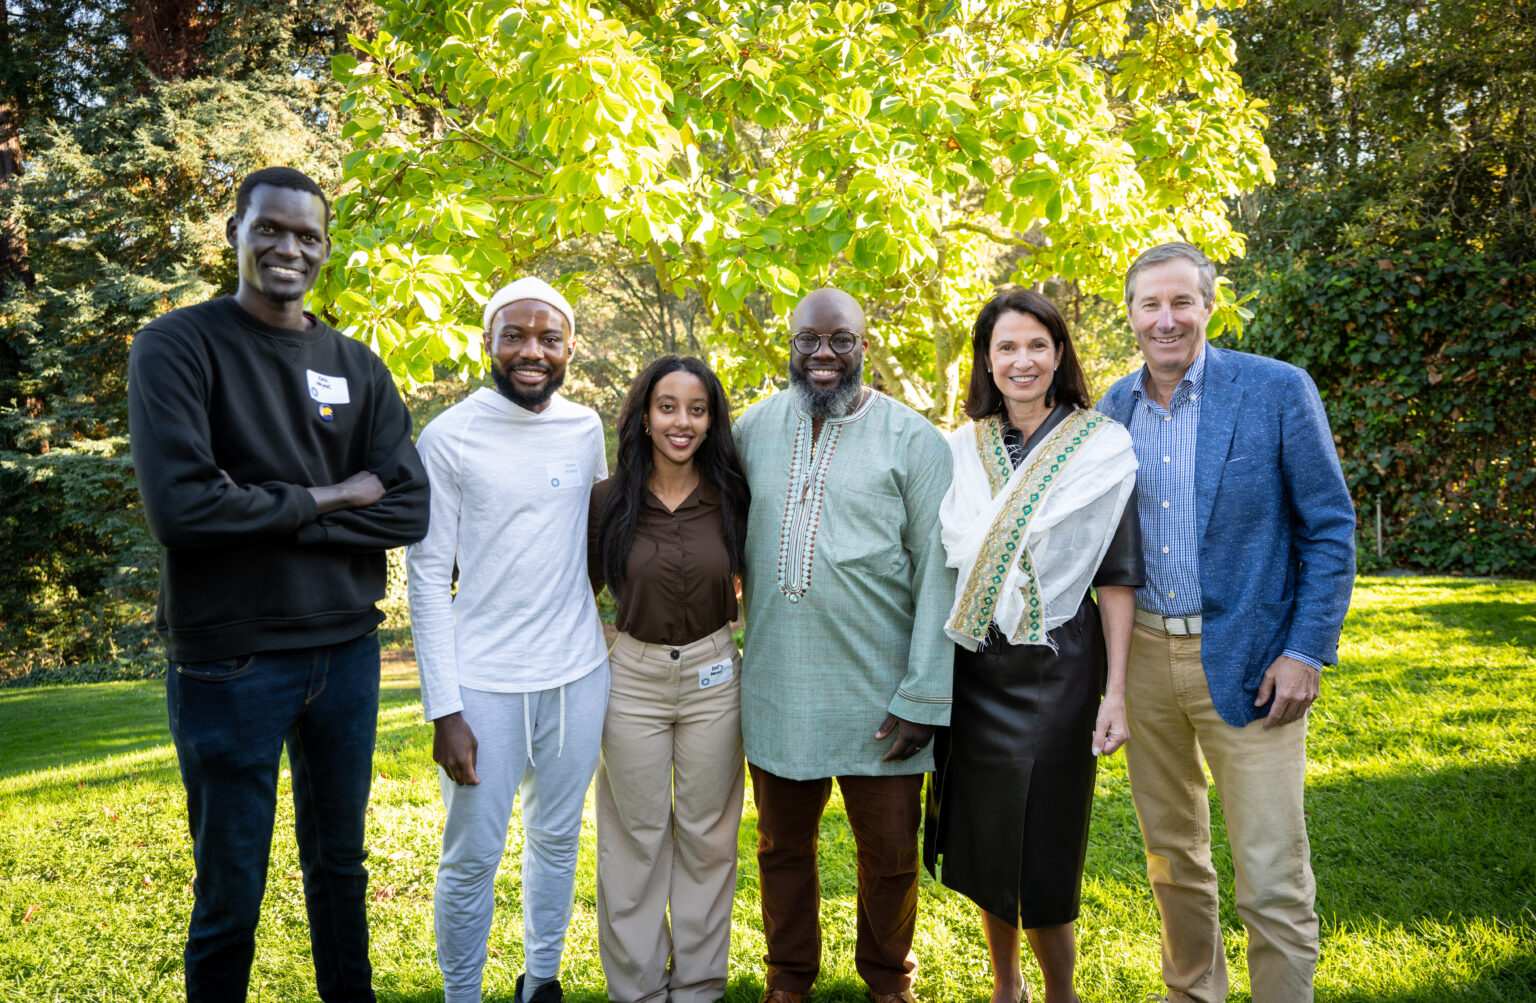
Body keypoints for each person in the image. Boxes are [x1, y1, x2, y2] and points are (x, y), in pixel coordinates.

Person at [128, 166, 431, 1003]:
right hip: (232, 658)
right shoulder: (178, 346)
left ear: (326, 249)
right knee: (231, 887)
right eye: (269, 228)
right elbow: (183, 509)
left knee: (341, 865)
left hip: (346, 650)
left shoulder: (356, 366)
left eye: (306, 235)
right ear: (235, 231)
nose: (287, 247)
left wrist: (260, 511)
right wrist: (331, 495)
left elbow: (406, 505)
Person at [1097, 242, 1355, 1003]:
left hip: (1252, 657)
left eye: (1182, 302)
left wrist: (1306, 648)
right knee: (1172, 857)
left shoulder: (1276, 390)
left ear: (1210, 306)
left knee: (1271, 867)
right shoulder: (1112, 409)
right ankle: (1193, 994)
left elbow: (1330, 526)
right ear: (1133, 313)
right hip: (1143, 657)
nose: (1166, 319)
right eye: (1151, 304)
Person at [734, 287, 956, 1003]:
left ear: (866, 343)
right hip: (778, 685)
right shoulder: (749, 431)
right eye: (808, 340)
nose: (823, 354)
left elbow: (940, 576)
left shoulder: (916, 441)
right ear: (788, 343)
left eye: (840, 340)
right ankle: (788, 977)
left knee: (890, 854)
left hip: (882, 695)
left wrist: (924, 693)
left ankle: (889, 980)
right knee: (779, 848)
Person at [925, 288, 1142, 1003]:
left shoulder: (1101, 444)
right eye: (1006, 347)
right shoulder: (961, 446)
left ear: (1059, 356)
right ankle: (1006, 985)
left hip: (1059, 665)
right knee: (990, 839)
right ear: (987, 359)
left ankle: (1060, 992)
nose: (1022, 360)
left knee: (1044, 842)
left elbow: (1115, 577)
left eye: (1037, 346)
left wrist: (1116, 692)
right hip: (976, 666)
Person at [407, 277, 609, 1003]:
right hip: (483, 686)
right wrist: (444, 709)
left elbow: (590, 543)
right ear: (486, 341)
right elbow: (428, 578)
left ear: (569, 348)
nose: (532, 351)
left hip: (579, 676)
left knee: (557, 843)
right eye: (515, 335)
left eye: (548, 338)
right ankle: (463, 993)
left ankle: (542, 982)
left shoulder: (587, 428)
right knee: (471, 858)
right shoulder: (449, 436)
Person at [587, 355, 752, 1003]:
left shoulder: (733, 494)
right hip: (633, 677)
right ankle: (636, 989)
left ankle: (699, 987)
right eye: (667, 406)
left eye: (696, 408)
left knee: (709, 835)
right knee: (635, 836)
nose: (682, 420)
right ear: (645, 417)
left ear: (711, 420)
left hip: (715, 675)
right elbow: (576, 592)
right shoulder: (610, 498)